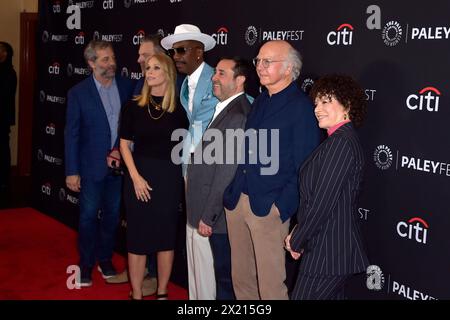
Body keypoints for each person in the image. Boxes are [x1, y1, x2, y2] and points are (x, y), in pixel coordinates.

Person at [223, 40, 321, 300]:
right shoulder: (261, 101)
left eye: (268, 61)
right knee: (241, 280)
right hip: (238, 201)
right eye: (258, 61)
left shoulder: (302, 108)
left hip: (268, 209)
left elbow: (305, 167)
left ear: (289, 69)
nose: (260, 67)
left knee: (271, 288)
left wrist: (280, 208)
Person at [285, 74, 370, 300]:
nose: (317, 109)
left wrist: (297, 239)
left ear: (347, 105)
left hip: (328, 254)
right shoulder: (338, 140)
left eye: (326, 101)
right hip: (329, 250)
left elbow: (323, 203)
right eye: (316, 103)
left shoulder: (341, 143)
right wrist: (299, 232)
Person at [65, 40, 134, 287]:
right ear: (91, 63)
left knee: (113, 217)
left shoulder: (127, 87)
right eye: (105, 59)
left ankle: (105, 260)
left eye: (113, 58)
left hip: (119, 169)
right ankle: (85, 265)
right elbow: (71, 134)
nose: (112, 63)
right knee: (87, 217)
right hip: (91, 167)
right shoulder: (78, 93)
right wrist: (72, 171)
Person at [119, 53, 188, 300]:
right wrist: (135, 178)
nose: (149, 72)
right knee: (137, 238)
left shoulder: (180, 110)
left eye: (155, 68)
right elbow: (124, 146)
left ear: (168, 72)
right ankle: (136, 293)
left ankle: (161, 292)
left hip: (168, 179)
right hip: (138, 177)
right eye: (147, 68)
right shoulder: (133, 107)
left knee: (165, 238)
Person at [185, 57, 252, 300]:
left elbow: (227, 172)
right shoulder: (227, 109)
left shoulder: (238, 115)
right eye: (215, 73)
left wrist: (209, 215)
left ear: (240, 80)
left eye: (221, 74)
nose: (214, 78)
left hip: (219, 218)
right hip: (210, 212)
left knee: (224, 281)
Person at [161, 23, 219, 300]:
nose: (176, 57)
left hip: (209, 169)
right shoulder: (184, 83)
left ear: (199, 52)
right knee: (191, 237)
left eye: (181, 50)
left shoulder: (217, 79)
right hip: (188, 166)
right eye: (174, 52)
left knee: (203, 240)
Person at [106, 34, 164, 297]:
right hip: (133, 167)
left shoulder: (169, 87)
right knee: (136, 224)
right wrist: (121, 152)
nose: (139, 59)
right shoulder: (139, 83)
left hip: (158, 169)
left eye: (145, 55)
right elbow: (127, 128)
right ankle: (137, 273)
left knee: (155, 225)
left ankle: (151, 275)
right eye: (140, 56)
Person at [0, 42, 17, 191]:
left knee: (2, 149)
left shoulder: (9, 73)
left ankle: (3, 180)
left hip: (2, 118)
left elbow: (4, 96)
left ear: (5, 54)